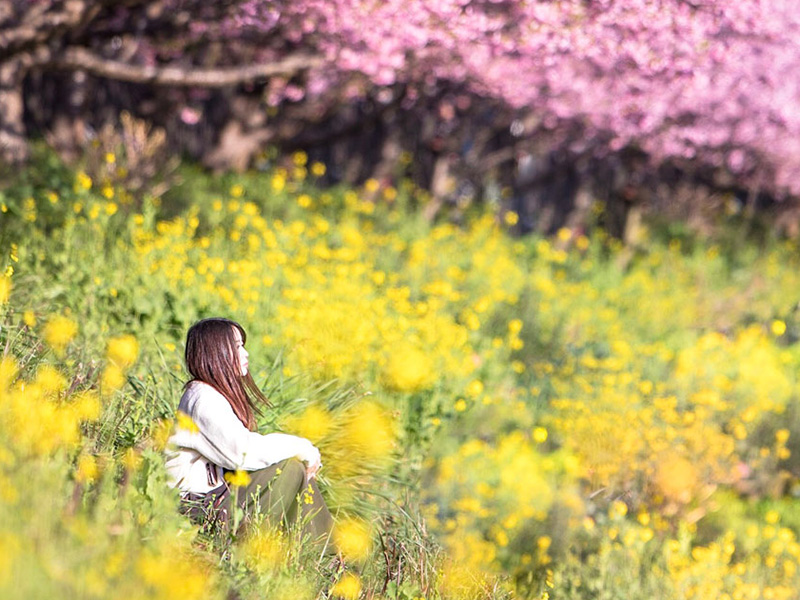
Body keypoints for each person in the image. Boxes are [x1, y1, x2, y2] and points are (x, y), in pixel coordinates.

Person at [165, 317, 334, 549]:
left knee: (291, 470)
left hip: (214, 498)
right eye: (237, 347)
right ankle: (326, 557)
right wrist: (304, 448)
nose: (246, 354)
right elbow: (242, 452)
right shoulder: (202, 398)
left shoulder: (211, 395)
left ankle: (322, 556)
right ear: (216, 352)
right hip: (193, 510)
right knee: (289, 469)